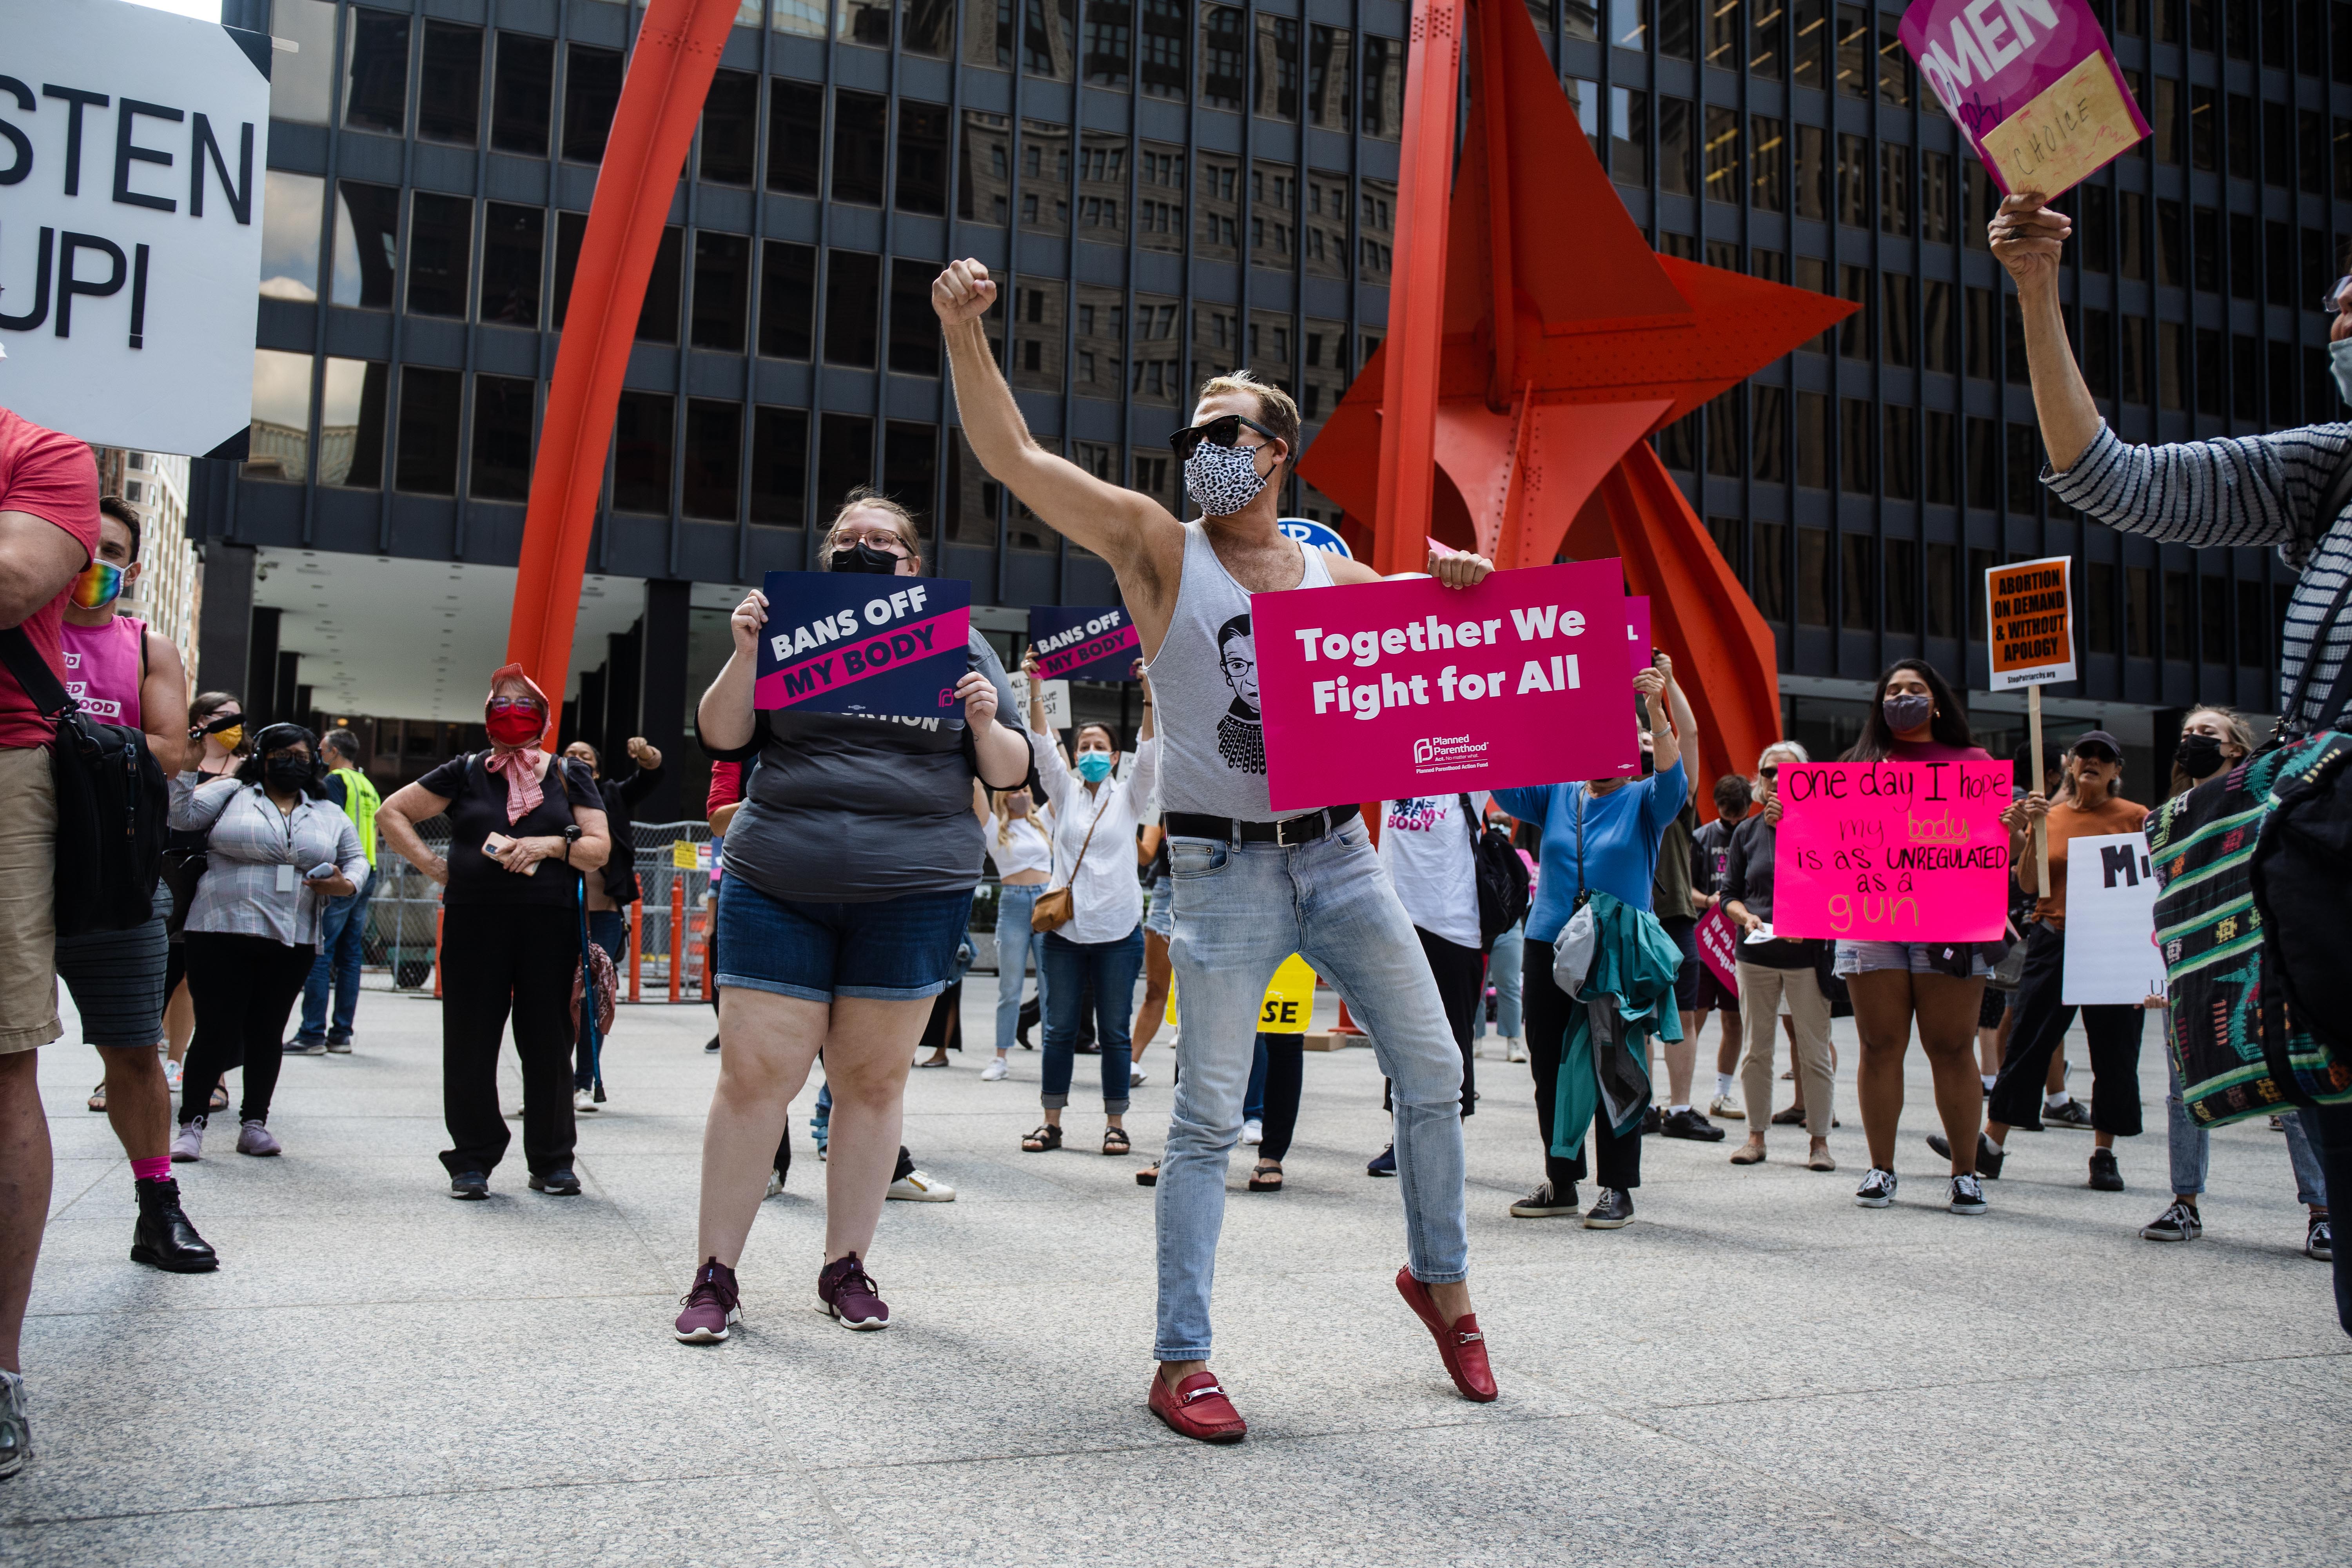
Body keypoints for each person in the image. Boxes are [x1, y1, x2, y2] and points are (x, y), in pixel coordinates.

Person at [936, 258, 1495, 1439]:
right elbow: (1015, 461)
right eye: (1193, 431)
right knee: (1202, 1119)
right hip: (1220, 871)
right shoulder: (1155, 547)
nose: (1201, 447)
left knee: (1435, 1070)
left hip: (1340, 859)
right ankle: (1178, 1359)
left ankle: (1437, 1282)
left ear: (1273, 449)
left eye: (1224, 430)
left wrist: (1453, 583)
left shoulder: (1332, 575)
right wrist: (962, 332)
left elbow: (1446, 640)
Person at [1998, 194, 2352, 1325]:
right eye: (2336, 317)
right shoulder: (2327, 473)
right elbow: (2111, 478)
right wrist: (2037, 292)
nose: (2342, 332)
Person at [672, 491, 1027, 1344]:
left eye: (886, 541)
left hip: (911, 889)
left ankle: (846, 1265)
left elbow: (1010, 770)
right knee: (756, 1076)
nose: (865, 548)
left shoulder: (958, 636)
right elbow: (722, 736)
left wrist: (983, 717)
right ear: (827, 556)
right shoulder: (784, 624)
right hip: (779, 877)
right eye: (849, 539)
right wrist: (746, 650)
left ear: (915, 564)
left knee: (873, 1082)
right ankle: (716, 1272)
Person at [49, 494, 214, 1268]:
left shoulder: (148, 646)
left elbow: (171, 749)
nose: (91, 563)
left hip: (114, 870)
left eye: (109, 549)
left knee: (134, 1048)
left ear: (135, 566)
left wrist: (77, 741)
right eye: (79, 545)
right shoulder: (19, 627)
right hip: (21, 856)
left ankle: (159, 1204)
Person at [374, 666, 610, 1199]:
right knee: (470, 1039)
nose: (511, 710)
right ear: (485, 715)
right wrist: (435, 867)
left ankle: (552, 1161)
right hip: (474, 918)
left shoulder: (570, 773)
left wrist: (550, 846)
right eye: (501, 702)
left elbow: (598, 849)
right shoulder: (464, 770)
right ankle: (472, 1158)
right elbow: (393, 813)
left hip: (548, 923)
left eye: (523, 702)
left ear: (545, 716)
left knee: (549, 1040)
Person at [1493, 658, 1695, 1230]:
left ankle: (1617, 1188)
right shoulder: (1558, 794)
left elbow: (1677, 780)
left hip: (1617, 951)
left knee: (1616, 1062)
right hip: (1549, 945)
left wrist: (1657, 707)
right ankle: (1561, 1179)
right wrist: (1506, 701)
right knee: (1550, 1064)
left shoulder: (1648, 800)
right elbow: (1504, 779)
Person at [0, 403, 106, 1481]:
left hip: (6, 768)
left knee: (4, 1059)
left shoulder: (41, 454)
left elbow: (15, 578)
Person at [2136, 708, 2330, 1258]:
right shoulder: (2166, 820)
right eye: (2188, 734)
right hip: (2191, 966)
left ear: (2236, 752)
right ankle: (2185, 1202)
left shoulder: (2262, 803)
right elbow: (2162, 904)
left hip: (2259, 962)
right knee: (2183, 1093)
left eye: (2208, 734)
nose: (2193, 741)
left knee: (2287, 1085)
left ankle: (2322, 1212)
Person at [1931, 733, 2151, 1194]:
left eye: (2104, 758)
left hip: (2111, 946)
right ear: (2071, 766)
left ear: (2116, 770)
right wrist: (2026, 832)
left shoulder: (2136, 818)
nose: (2092, 762)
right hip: (2055, 937)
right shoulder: (2049, 815)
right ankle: (1991, 1146)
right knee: (2029, 1039)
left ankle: (2104, 1153)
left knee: (2115, 1049)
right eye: (2085, 756)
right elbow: (2030, 882)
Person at [1832, 661, 1996, 1215]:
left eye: (1916, 690)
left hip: (1950, 923)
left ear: (1939, 702)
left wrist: (2020, 826)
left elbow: (2001, 857)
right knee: (1879, 1046)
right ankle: (1881, 1169)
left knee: (1951, 1048)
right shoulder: (1855, 767)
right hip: (1873, 917)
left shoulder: (1975, 765)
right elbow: (1826, 847)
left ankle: (1966, 1173)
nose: (1903, 697)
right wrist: (1787, 820)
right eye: (1893, 691)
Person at [167, 725, 367, 1161]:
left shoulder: (328, 812)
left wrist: (345, 884)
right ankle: (192, 1124)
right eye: (280, 753)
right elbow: (179, 816)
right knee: (216, 1027)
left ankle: (254, 1124)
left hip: (291, 934)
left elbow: (357, 859)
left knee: (266, 1031)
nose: (291, 761)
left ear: (315, 760)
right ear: (263, 756)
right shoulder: (231, 793)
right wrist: (184, 770)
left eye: (301, 754)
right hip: (220, 927)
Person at [1019, 666, 1155, 1157]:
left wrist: (1147, 691)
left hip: (1119, 932)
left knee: (1115, 1034)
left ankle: (1115, 1124)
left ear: (1116, 756)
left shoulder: (1131, 795)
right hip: (1065, 933)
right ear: (1074, 756)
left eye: (1101, 747)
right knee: (1058, 1030)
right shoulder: (1064, 792)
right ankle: (1050, 1122)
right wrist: (1035, 686)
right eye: (1084, 747)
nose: (1091, 754)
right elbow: (1040, 741)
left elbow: (1151, 750)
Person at [1719, 742, 1836, 1173]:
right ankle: (1755, 1137)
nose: (1777, 782)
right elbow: (1729, 894)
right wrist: (1745, 916)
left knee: (1814, 1049)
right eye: (1769, 773)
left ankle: (1819, 1141)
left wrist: (1795, 830)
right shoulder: (1745, 833)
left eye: (1789, 775)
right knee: (1756, 1048)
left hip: (1807, 956)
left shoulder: (1825, 828)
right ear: (1759, 779)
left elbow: (1837, 888)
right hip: (1756, 954)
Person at [1363, 791, 1486, 1176]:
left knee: (1453, 1039)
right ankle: (1402, 1142)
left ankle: (1449, 1141)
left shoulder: (1467, 774)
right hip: (1396, 923)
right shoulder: (1392, 771)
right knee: (1397, 1036)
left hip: (1453, 928)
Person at [559, 735, 664, 1110]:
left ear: (598, 769)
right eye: (570, 754)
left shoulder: (612, 796)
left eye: (585, 756)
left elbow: (651, 775)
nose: (576, 759)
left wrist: (646, 754)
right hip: (556, 912)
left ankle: (584, 1083)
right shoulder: (546, 793)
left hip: (603, 915)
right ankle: (551, 1084)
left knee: (592, 995)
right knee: (552, 997)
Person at [162, 690, 245, 1104]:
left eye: (237, 717)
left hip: (218, 880)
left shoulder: (246, 768)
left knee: (207, 982)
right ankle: (162, 1063)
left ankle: (215, 1074)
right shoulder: (177, 755)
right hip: (171, 875)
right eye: (223, 717)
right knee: (165, 977)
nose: (232, 725)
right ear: (199, 719)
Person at [287, 726, 380, 1057]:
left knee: (319, 950)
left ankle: (311, 1033)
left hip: (342, 877)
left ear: (335, 753)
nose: (320, 756)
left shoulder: (336, 783)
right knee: (351, 956)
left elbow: (328, 826)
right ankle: (341, 1035)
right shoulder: (368, 786)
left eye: (323, 749)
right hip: (367, 873)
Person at [1650, 781, 1722, 1142]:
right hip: (1635, 916)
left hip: (1677, 917)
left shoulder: (1676, 799)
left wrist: (1662, 723)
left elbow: (1689, 739)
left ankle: (1679, 1110)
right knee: (1638, 1019)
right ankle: (1642, 1106)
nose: (1644, 742)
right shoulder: (1615, 793)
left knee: (1684, 1016)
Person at [982, 779, 1053, 1083]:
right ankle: (1000, 1058)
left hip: (1046, 904)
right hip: (1013, 905)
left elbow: (1061, 775)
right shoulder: (994, 827)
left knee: (1050, 986)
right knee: (1009, 988)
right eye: (1015, 791)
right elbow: (975, 791)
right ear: (1003, 797)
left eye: (1026, 790)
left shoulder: (1044, 821)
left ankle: (1054, 1057)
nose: (1022, 795)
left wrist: (1056, 739)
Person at [1690, 775, 1750, 1119]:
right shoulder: (1701, 838)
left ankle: (1722, 1093)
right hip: (1706, 939)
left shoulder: (1755, 834)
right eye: (1728, 816)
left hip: (1740, 942)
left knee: (1734, 1021)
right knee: (1692, 1019)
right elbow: (1687, 889)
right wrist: (1711, 899)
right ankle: (1681, 1094)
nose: (1733, 823)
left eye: (1739, 817)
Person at [1470, 808, 1531, 1063]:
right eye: (1496, 823)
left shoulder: (1521, 855)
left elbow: (1525, 887)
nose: (1500, 829)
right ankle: (1475, 1039)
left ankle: (1514, 1042)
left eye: (1504, 824)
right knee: (1478, 987)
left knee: (1509, 986)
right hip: (1481, 926)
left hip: (1509, 926)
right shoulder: (1478, 852)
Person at [1130, 823, 1174, 1081]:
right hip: (1167, 892)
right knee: (1156, 988)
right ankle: (1130, 1063)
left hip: (1214, 890)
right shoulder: (1161, 807)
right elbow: (1146, 856)